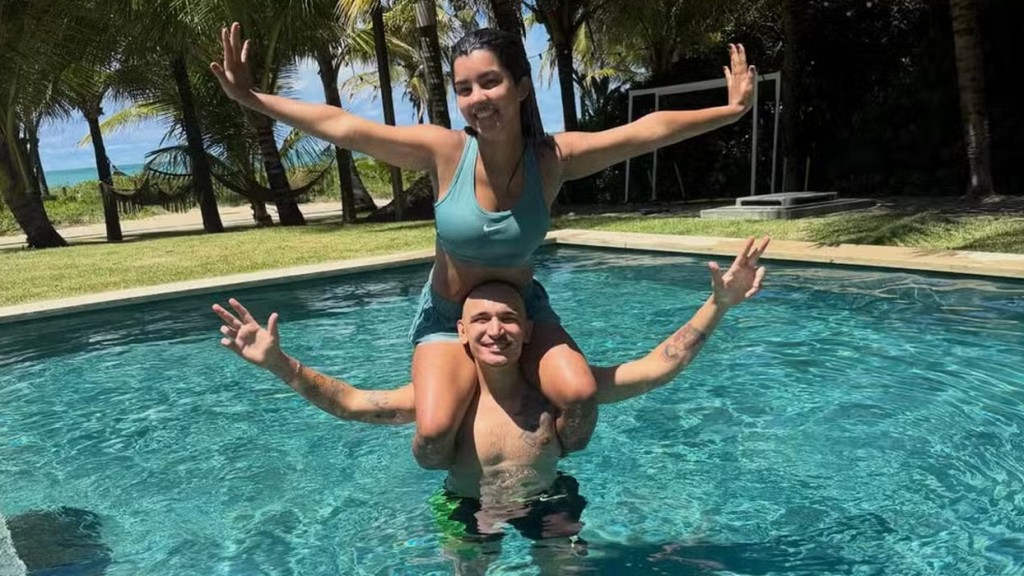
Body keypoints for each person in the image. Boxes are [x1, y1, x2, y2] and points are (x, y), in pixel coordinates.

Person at [210, 23, 758, 471]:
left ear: (521, 88)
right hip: (449, 318)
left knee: (579, 397)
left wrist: (729, 111)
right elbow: (343, 127)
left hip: (523, 313)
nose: (477, 99)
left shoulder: (552, 160)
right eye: (465, 89)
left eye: (490, 83)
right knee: (432, 434)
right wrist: (252, 98)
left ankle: (543, 481)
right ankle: (466, 499)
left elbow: (646, 131)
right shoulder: (444, 151)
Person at [212, 238, 768, 573]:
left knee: (570, 572)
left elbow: (655, 368)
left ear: (528, 331)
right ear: (461, 332)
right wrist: (278, 363)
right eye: (480, 320)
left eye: (507, 319)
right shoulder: (446, 403)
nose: (495, 330)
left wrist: (717, 305)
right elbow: (355, 404)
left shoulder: (552, 396)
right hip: (465, 505)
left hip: (548, 499)